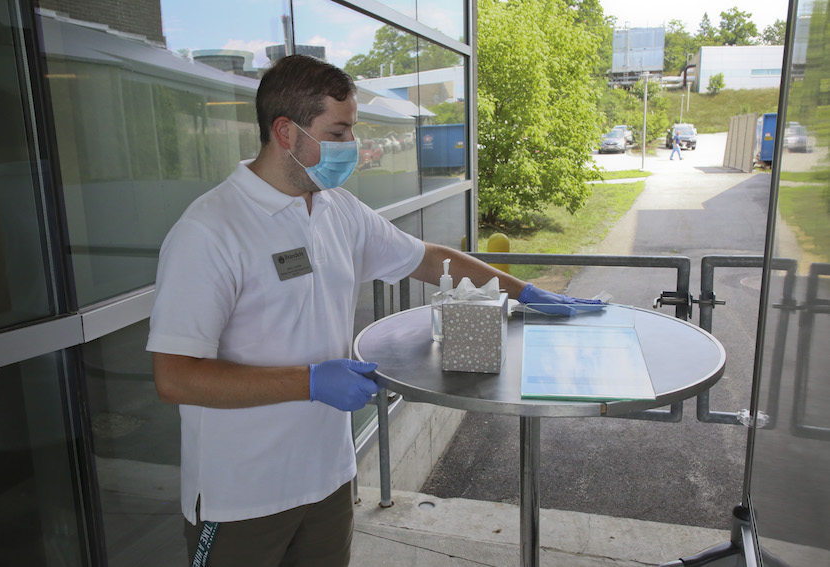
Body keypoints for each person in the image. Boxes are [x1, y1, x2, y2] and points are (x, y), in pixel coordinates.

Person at [147, 54, 601, 567]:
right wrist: (311, 382)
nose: (352, 149)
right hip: (241, 498)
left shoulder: (337, 208)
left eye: (352, 132)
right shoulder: (210, 231)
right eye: (338, 133)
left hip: (328, 481)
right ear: (286, 132)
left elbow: (430, 259)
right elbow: (176, 377)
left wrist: (523, 293)